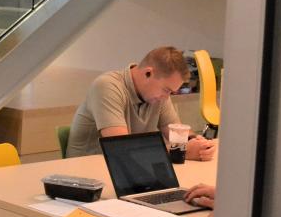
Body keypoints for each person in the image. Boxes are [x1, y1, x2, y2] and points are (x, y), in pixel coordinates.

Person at [66, 46, 218, 160]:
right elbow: (121, 149)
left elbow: (176, 135)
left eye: (171, 92)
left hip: (129, 172)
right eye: (166, 90)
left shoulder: (157, 95)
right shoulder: (107, 86)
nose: (167, 97)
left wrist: (197, 143)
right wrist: (180, 151)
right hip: (87, 178)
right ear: (148, 73)